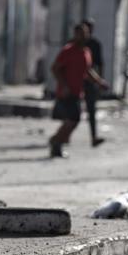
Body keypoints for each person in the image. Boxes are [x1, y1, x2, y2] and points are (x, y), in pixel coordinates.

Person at [49, 23, 108, 158]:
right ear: (75, 35)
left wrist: (99, 82)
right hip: (66, 92)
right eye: (79, 33)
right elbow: (55, 68)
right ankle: (56, 141)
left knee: (73, 120)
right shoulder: (68, 51)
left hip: (77, 91)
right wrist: (64, 85)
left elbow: (87, 71)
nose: (82, 36)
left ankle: (57, 143)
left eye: (85, 33)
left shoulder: (86, 52)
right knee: (72, 120)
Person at [81, 18, 105, 147]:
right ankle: (62, 137)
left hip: (90, 82)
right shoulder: (74, 45)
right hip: (76, 82)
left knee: (91, 110)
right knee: (71, 113)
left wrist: (99, 81)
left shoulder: (94, 45)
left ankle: (93, 136)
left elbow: (97, 65)